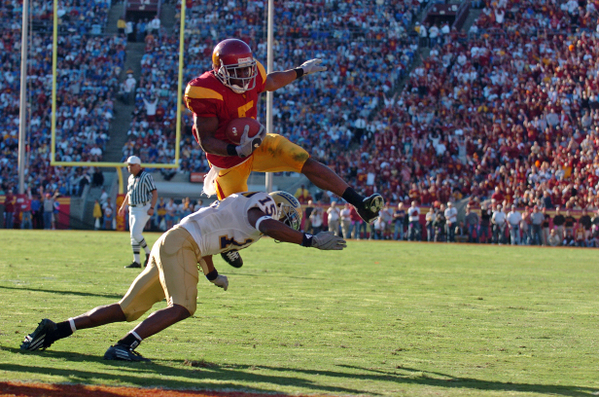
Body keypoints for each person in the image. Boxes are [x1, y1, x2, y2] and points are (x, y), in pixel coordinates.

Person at [20, 191, 346, 361]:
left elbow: (206, 237)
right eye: (290, 220)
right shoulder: (262, 209)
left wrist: (213, 272)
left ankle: (55, 330)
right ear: (282, 210)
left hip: (174, 241)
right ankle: (124, 346)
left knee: (127, 309)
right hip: (181, 245)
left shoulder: (247, 205)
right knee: (183, 307)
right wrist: (310, 240)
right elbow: (263, 223)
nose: (289, 225)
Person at [183, 38, 384, 268]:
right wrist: (236, 149)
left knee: (302, 159)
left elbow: (269, 81)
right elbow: (206, 141)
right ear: (220, 71)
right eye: (237, 71)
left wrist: (300, 71)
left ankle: (360, 203)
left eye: (247, 68)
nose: (245, 75)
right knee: (241, 216)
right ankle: (230, 245)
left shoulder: (253, 72)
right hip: (228, 161)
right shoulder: (203, 90)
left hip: (257, 146)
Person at [118, 156, 158, 269]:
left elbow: (154, 192)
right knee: (133, 235)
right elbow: (129, 193)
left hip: (143, 208)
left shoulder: (146, 176)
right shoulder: (130, 178)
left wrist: (152, 207)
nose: (129, 167)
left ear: (138, 166)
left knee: (136, 233)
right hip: (133, 208)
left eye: (131, 165)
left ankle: (148, 252)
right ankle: (136, 261)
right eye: (128, 165)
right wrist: (123, 206)